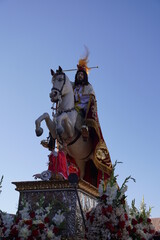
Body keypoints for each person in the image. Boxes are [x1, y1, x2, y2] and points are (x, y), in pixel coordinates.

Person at [71, 52, 113, 186]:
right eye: (78, 74)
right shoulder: (73, 87)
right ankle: (52, 139)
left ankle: (86, 130)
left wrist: (80, 103)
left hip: (83, 110)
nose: (80, 76)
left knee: (82, 117)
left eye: (82, 75)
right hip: (71, 109)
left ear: (85, 77)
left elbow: (91, 98)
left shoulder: (88, 87)